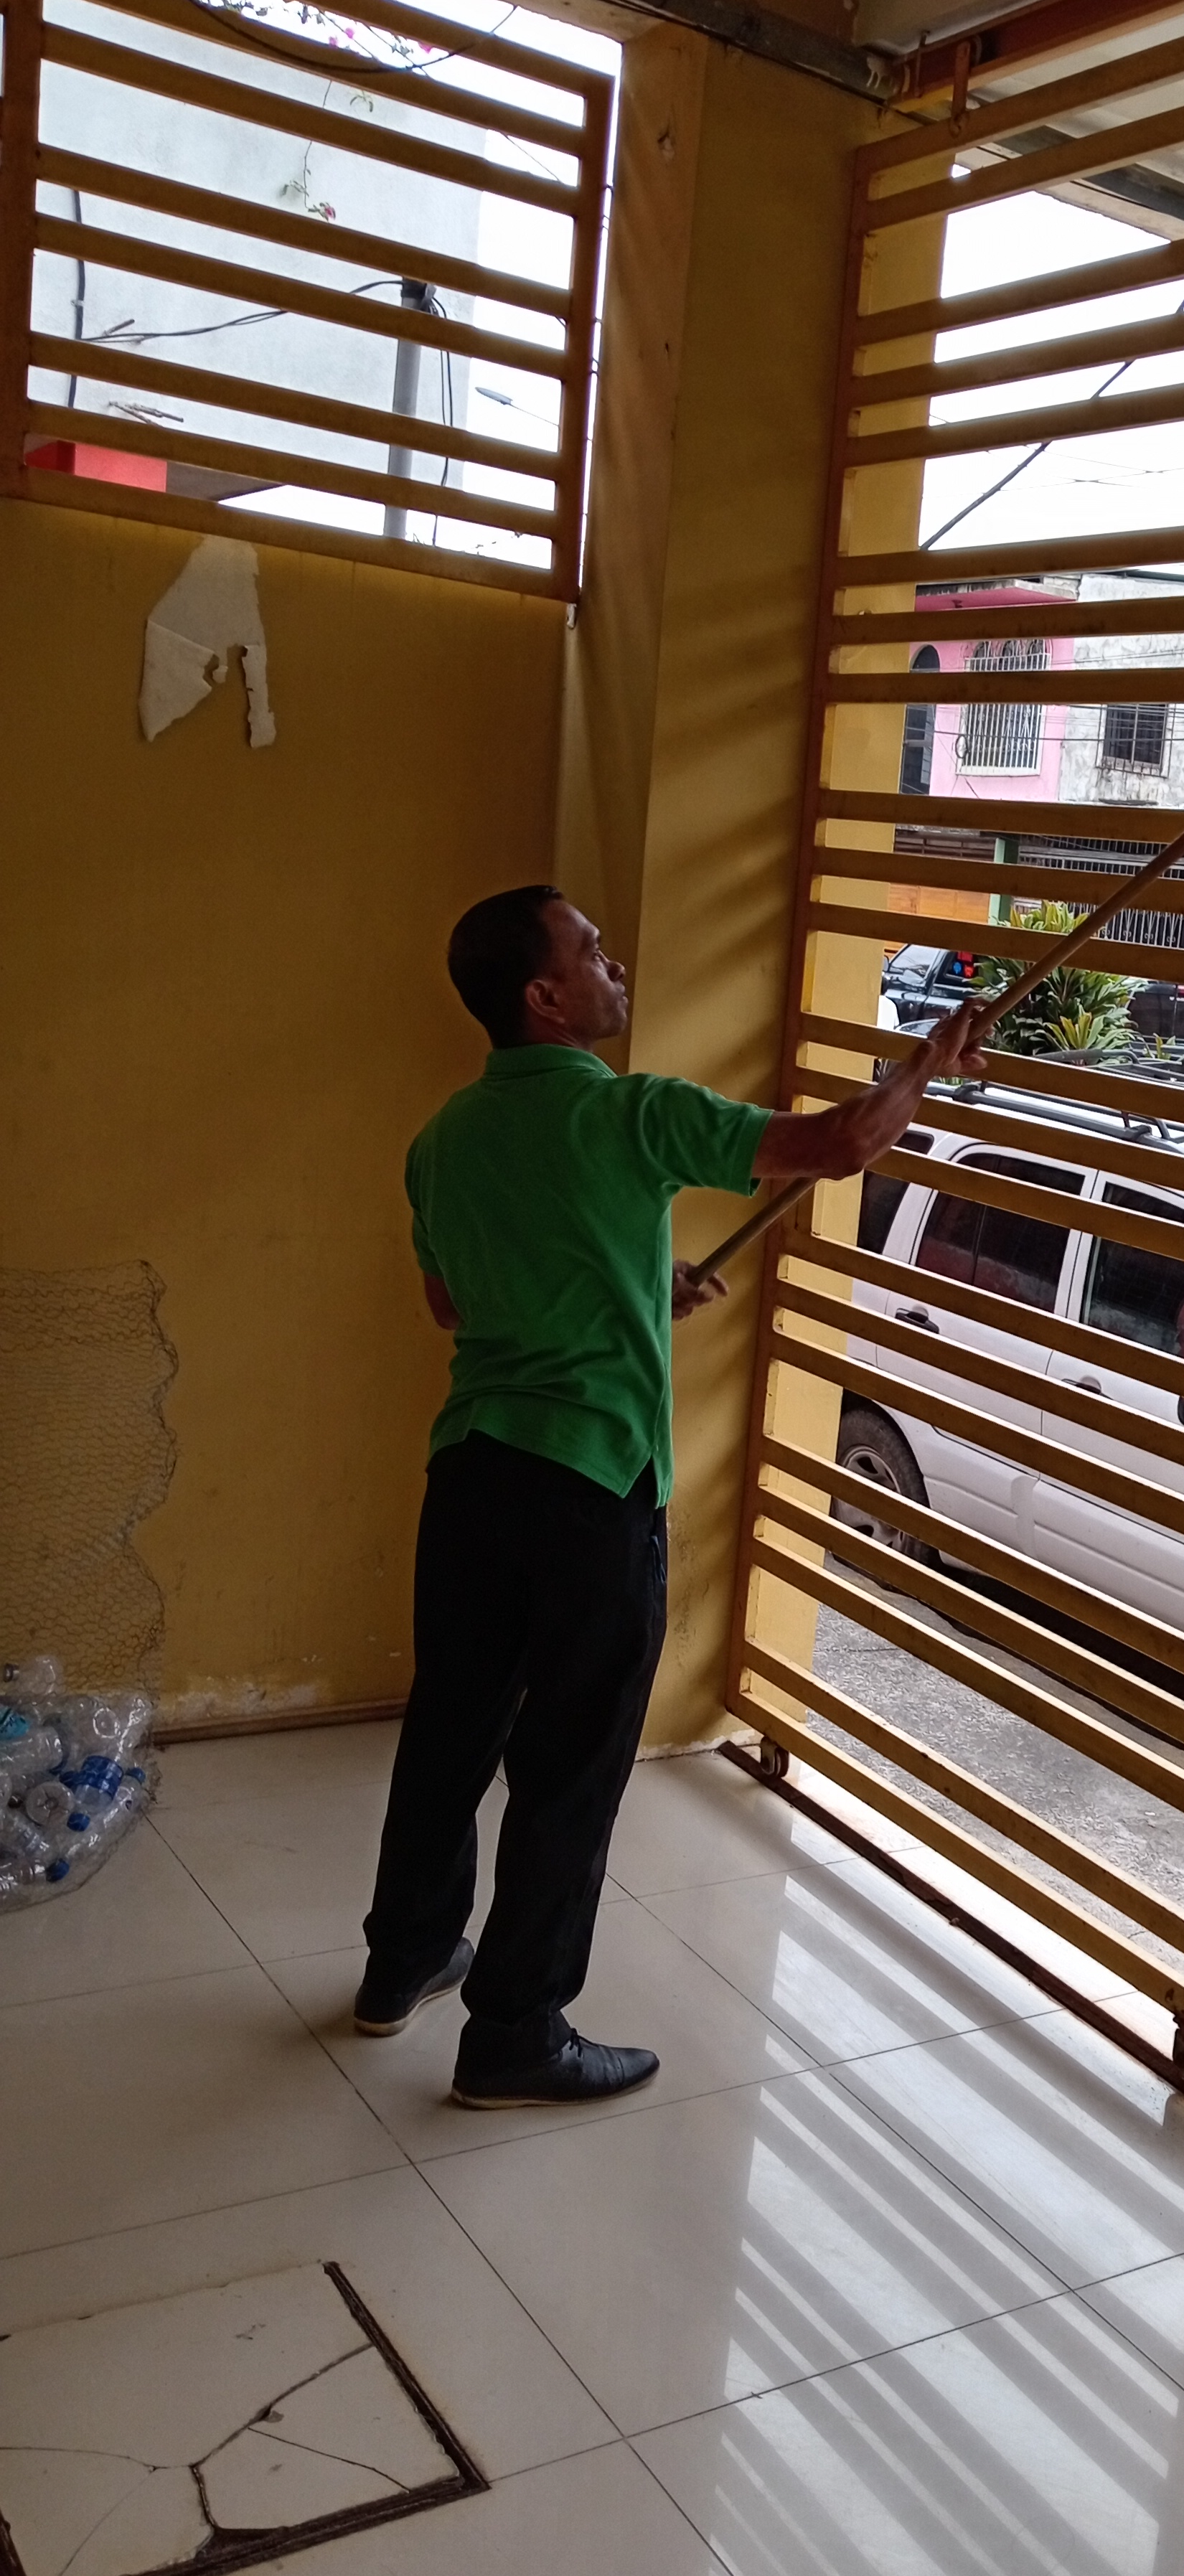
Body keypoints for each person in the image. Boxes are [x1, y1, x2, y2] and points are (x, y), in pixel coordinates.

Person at [356, 883, 982, 2107]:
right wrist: (929, 1062)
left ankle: (406, 1958)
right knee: (570, 1765)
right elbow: (842, 1144)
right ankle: (515, 2035)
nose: (615, 964)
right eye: (592, 952)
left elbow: (458, 1306)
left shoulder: (443, 1140)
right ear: (545, 997)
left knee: (452, 1728)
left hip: (473, 1473)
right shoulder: (631, 1112)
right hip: (590, 1489)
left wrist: (642, 1284)